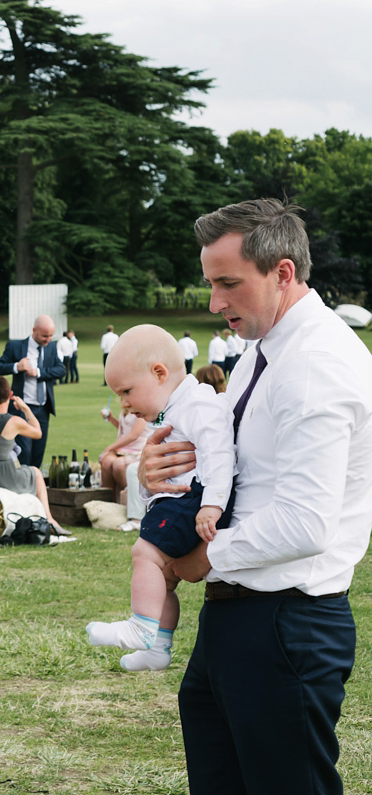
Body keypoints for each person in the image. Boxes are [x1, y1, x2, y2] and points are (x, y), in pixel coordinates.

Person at [142, 199, 372, 794]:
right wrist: (160, 467)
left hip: (286, 622)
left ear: (284, 272)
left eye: (228, 284)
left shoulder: (316, 364)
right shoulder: (260, 356)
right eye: (210, 283)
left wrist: (200, 559)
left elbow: (304, 523)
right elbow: (228, 463)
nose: (215, 303)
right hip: (237, 616)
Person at [87, 324, 233, 672]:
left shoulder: (196, 405)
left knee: (145, 554)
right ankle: (158, 647)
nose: (124, 403)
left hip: (193, 500)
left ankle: (141, 626)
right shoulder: (175, 408)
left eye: (126, 391)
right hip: (182, 499)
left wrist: (212, 504)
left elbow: (220, 455)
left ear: (159, 373)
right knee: (164, 577)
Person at [0, 376, 65, 535]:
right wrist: (26, 409)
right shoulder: (13, 421)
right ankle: (49, 518)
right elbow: (38, 432)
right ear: (10, 395)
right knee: (35, 472)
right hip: (3, 475)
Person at [0, 315, 63, 468]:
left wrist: (38, 372)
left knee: (38, 451)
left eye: (50, 336)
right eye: (44, 335)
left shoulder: (51, 347)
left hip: (43, 408)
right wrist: (17, 366)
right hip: (21, 407)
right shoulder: (16, 346)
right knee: (25, 451)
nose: (48, 339)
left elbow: (61, 370)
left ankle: (34, 488)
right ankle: (21, 485)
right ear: (34, 330)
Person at [98, 405, 150, 508]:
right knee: (106, 461)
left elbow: (134, 435)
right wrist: (111, 419)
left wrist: (110, 448)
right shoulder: (125, 409)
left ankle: (127, 502)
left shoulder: (142, 408)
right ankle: (109, 503)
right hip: (124, 449)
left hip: (138, 448)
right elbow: (125, 430)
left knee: (118, 465)